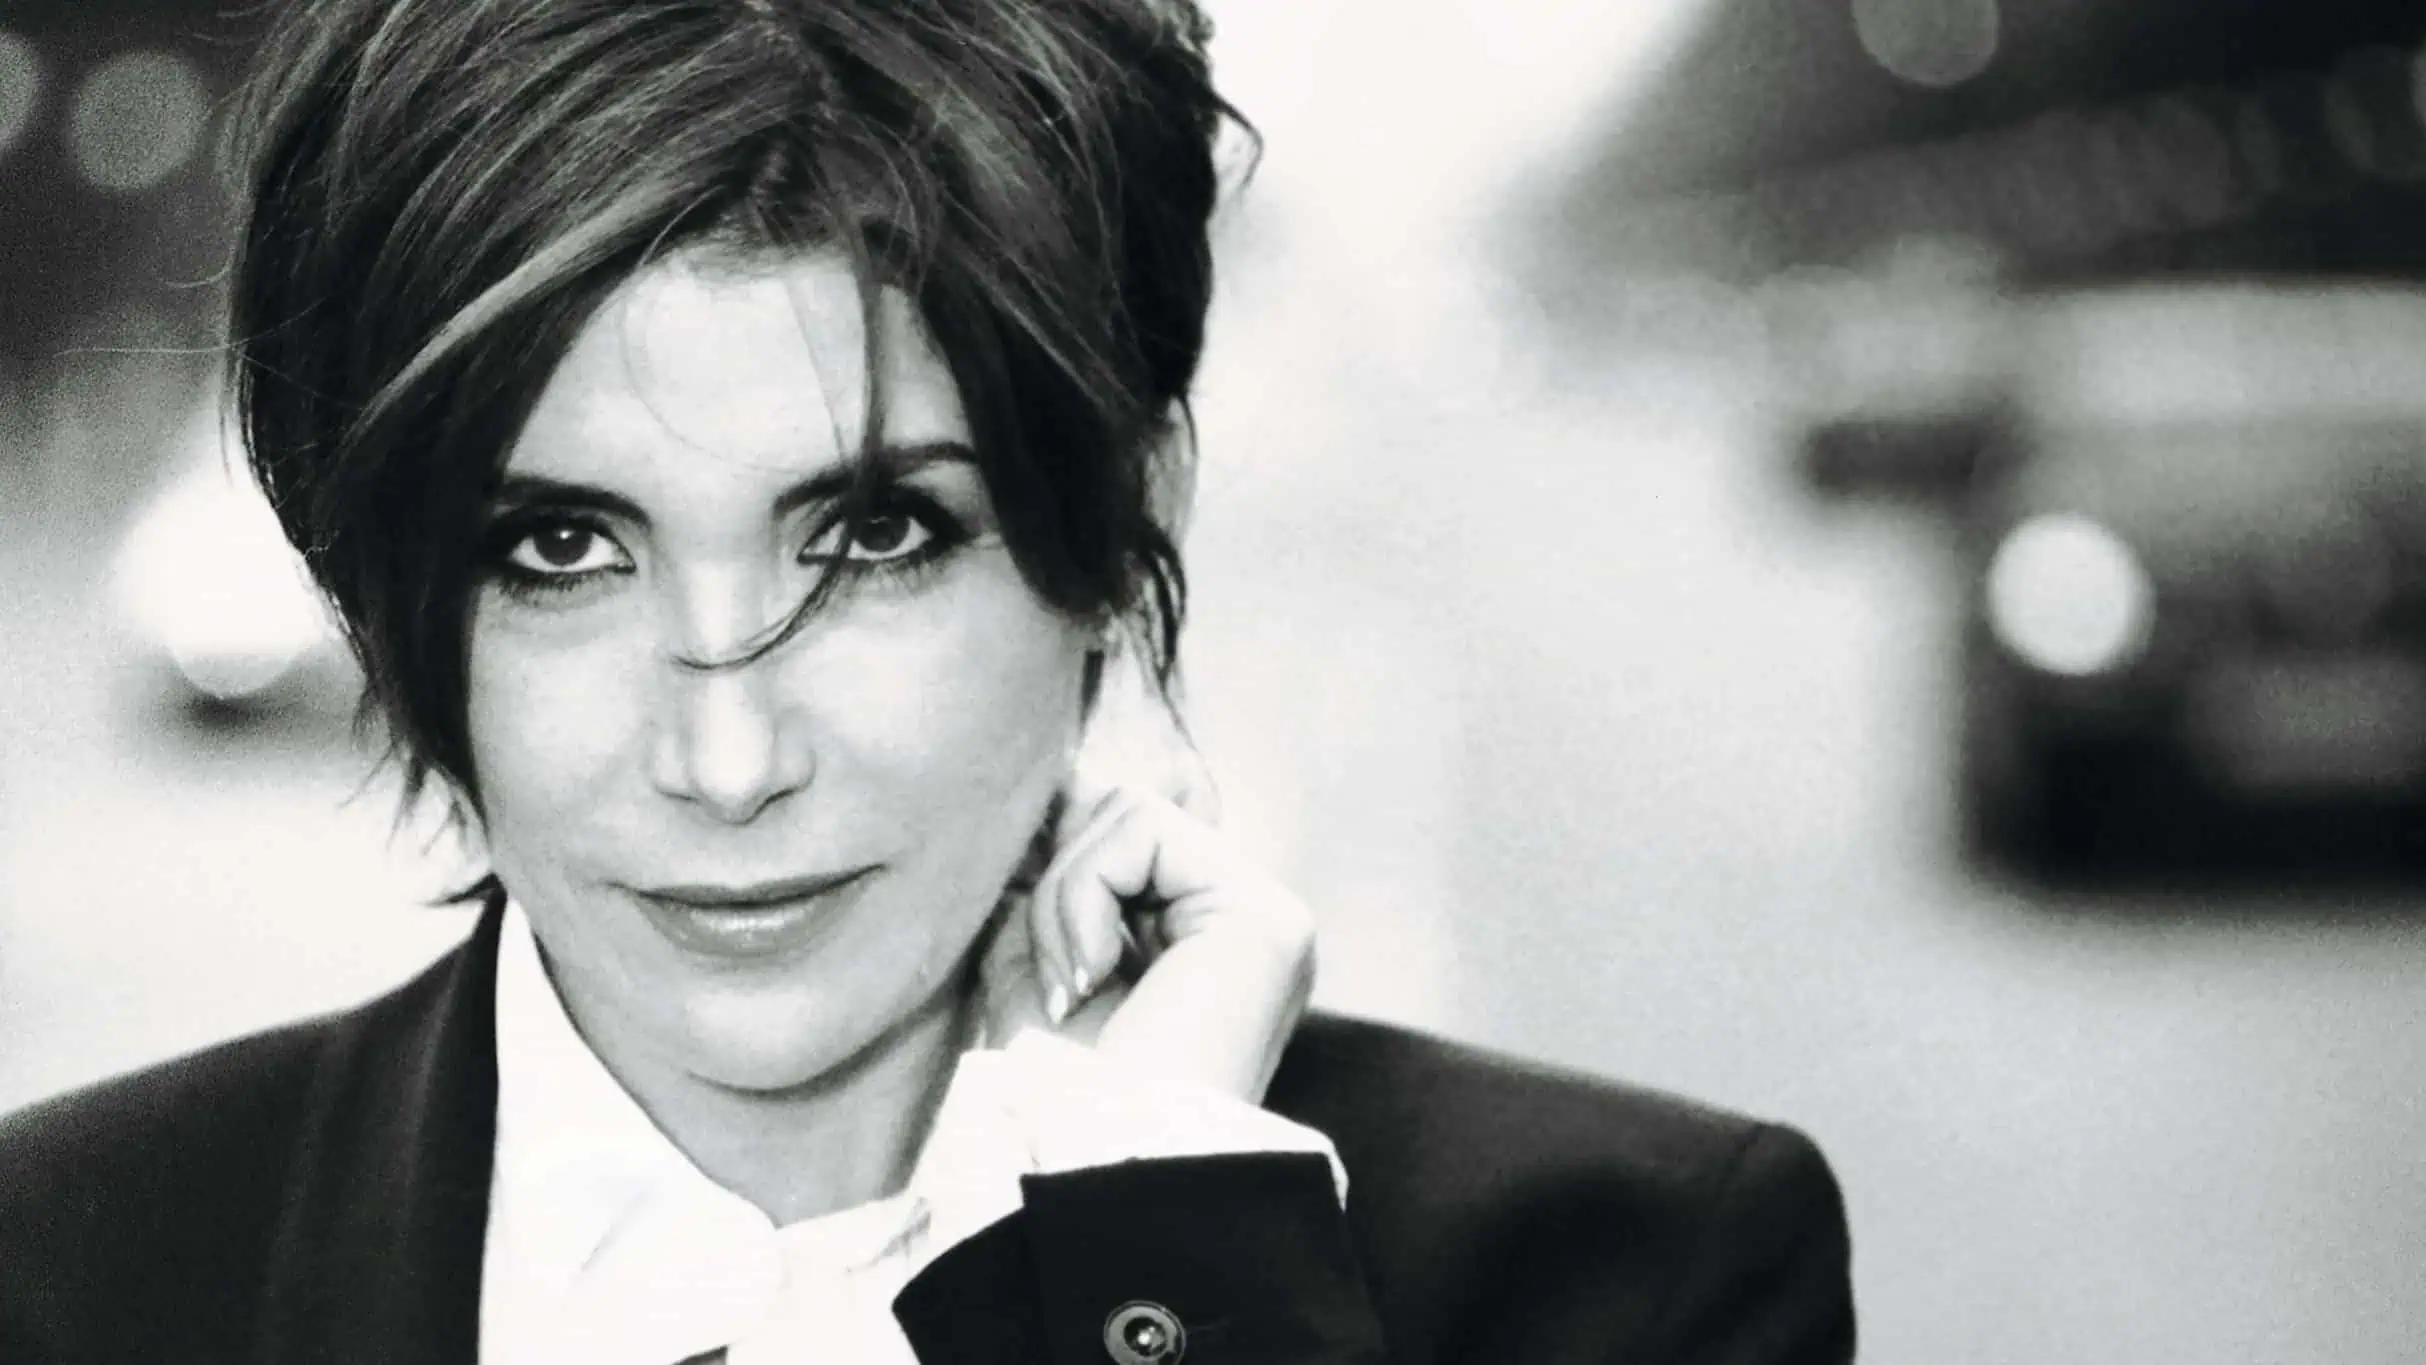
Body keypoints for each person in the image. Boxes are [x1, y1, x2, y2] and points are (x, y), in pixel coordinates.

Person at [0, 0, 1857, 1361]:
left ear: (1115, 532)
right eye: (559, 547)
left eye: (876, 534)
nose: (727, 753)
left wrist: (1166, 1271)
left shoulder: (1624, 1284)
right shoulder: (65, 1277)